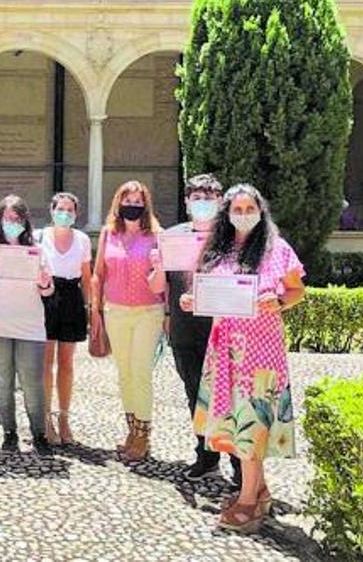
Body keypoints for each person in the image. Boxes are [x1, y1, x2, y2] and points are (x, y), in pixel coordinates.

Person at [180, 184, 305, 533]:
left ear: (261, 212)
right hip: (225, 350)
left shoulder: (276, 249)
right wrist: (193, 301)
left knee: (253, 419)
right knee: (235, 419)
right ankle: (259, 490)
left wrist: (278, 302)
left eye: (251, 209)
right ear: (227, 213)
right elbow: (207, 293)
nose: (244, 214)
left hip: (261, 350)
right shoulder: (218, 250)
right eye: (238, 208)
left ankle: (249, 499)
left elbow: (297, 289)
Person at [161, 174, 243, 485]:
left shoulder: (233, 239)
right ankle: (206, 456)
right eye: (196, 197)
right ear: (186, 202)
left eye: (209, 197)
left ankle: (238, 461)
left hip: (222, 330)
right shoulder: (173, 237)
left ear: (220, 202)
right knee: (195, 394)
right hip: (184, 330)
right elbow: (161, 285)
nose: (203, 203)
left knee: (228, 397)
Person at [91, 180, 166, 462]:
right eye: (127, 201)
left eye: (137, 202)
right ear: (118, 204)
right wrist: (95, 310)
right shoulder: (109, 233)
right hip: (115, 312)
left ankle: (144, 434)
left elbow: (165, 279)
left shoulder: (157, 235)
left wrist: (169, 314)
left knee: (141, 372)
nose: (132, 207)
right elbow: (98, 272)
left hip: (148, 312)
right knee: (124, 373)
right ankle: (131, 430)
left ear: (145, 206)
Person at [0, 195, 55, 454]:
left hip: (29, 324)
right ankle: (9, 433)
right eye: (7, 218)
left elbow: (48, 291)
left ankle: (38, 434)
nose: (12, 223)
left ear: (25, 221)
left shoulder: (37, 249)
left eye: (17, 219)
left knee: (32, 382)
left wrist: (44, 281)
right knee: (3, 381)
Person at [38, 192, 93, 446]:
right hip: (47, 297)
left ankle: (64, 418)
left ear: (76, 214)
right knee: (46, 361)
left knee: (67, 362)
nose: (65, 213)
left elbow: (87, 276)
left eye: (70, 210)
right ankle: (46, 418)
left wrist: (91, 309)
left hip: (72, 297)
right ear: (52, 210)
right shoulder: (39, 237)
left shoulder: (82, 240)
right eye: (61, 209)